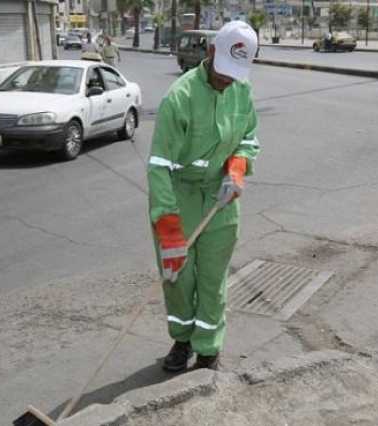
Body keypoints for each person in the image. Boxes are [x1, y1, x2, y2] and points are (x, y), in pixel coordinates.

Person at [147, 21, 260, 372]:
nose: (227, 80)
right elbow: (159, 165)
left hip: (221, 198)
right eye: (224, 70)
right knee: (178, 279)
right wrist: (167, 224)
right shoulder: (179, 97)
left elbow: (249, 137)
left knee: (213, 279)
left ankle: (208, 348)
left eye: (235, 74)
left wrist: (237, 169)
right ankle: (182, 341)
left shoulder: (241, 89)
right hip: (178, 198)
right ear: (210, 53)